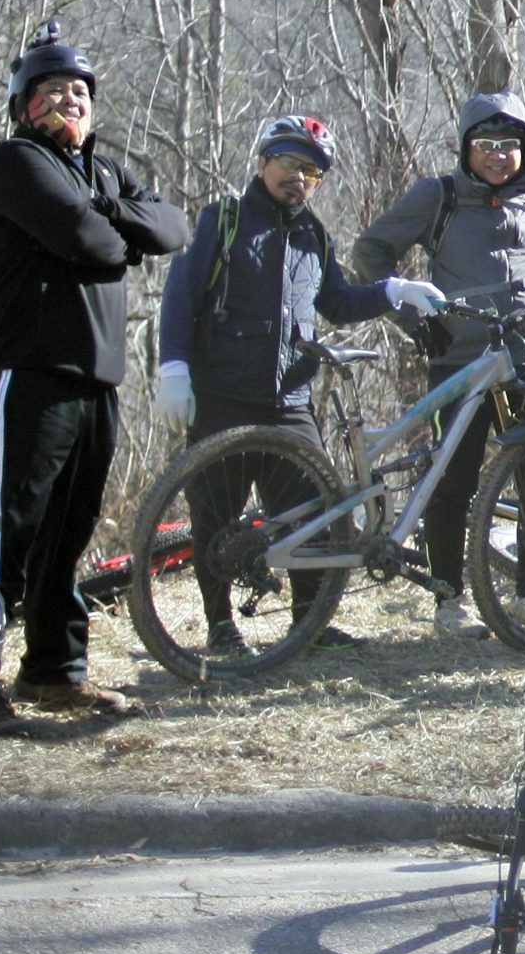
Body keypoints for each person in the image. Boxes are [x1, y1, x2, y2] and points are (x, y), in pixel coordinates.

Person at [0, 22, 188, 739]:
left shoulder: (102, 173)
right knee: (8, 529)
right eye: (53, 90)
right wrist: (118, 229)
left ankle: (54, 671)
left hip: (97, 382)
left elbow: (171, 227)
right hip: (27, 375)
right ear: (25, 104)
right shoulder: (15, 163)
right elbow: (91, 242)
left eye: (81, 91)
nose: (70, 100)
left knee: (69, 532)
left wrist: (113, 210)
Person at [155, 115, 445, 656]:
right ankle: (221, 628)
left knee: (317, 511)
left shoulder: (311, 231)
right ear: (264, 162)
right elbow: (180, 298)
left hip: (290, 400)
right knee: (215, 517)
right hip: (223, 394)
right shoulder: (223, 220)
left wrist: (394, 290)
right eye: (290, 163)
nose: (300, 178)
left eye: (312, 171)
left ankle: (309, 624)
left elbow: (335, 301)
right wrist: (174, 369)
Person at [349, 92, 525, 637]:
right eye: (485, 145)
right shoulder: (437, 196)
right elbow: (371, 251)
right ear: (466, 148)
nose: (497, 156)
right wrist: (413, 320)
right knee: (451, 480)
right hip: (460, 364)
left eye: (509, 145)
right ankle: (449, 599)